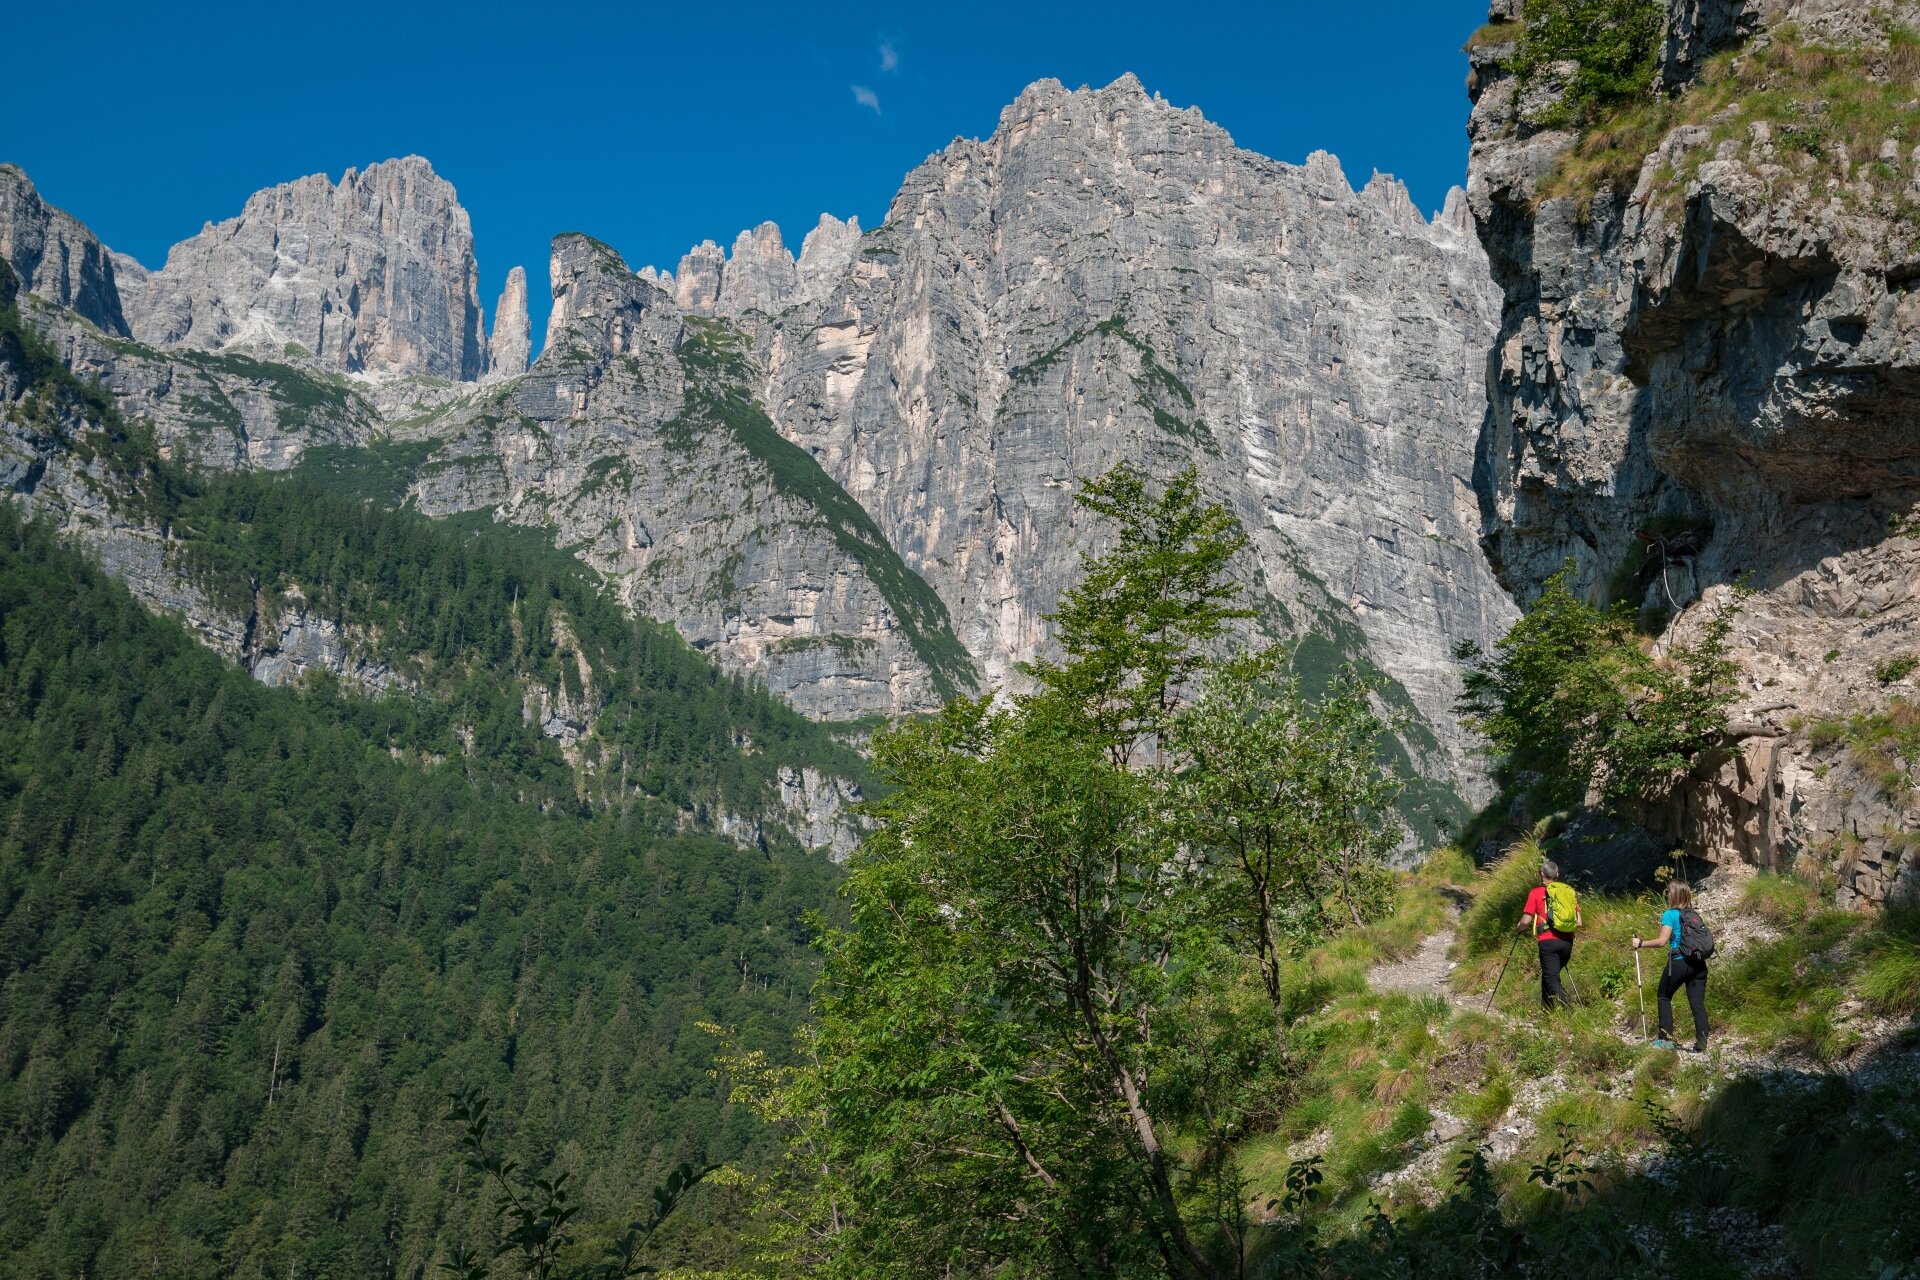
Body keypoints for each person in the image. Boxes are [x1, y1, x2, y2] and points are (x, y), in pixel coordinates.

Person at [1633, 880, 1708, 1052]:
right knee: (1697, 1003)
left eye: (1669, 892)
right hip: (1698, 963)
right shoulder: (1694, 915)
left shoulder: (1670, 914)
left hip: (1679, 962)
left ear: (1673, 894)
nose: (1667, 894)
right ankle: (1702, 1045)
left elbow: (1661, 942)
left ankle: (1666, 1040)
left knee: (1663, 996)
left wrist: (1641, 943)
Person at [1517, 858, 1580, 1009]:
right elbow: (1579, 922)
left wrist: (1518, 927)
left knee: (1552, 980)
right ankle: (1547, 1011)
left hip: (1548, 942)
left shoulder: (1536, 893)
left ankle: (1571, 1010)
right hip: (1567, 942)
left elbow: (1526, 921)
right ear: (1557, 875)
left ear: (1541, 874)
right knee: (1549, 976)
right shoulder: (1567, 892)